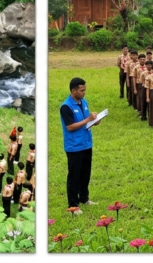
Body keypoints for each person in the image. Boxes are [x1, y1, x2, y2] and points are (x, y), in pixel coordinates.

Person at [61, 77, 98, 214]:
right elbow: (70, 127)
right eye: (82, 90)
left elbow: (85, 122)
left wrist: (94, 121)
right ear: (73, 90)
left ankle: (84, 198)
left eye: (85, 90)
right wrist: (88, 119)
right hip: (74, 147)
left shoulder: (83, 102)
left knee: (85, 174)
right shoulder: (66, 107)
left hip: (86, 143)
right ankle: (73, 204)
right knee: (74, 176)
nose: (84, 93)